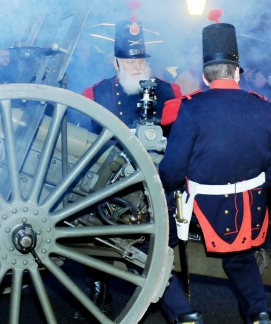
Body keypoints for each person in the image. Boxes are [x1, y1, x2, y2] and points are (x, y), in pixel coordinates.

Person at [71, 18, 195, 323]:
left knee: (155, 245)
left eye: (141, 60)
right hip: (108, 183)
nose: (137, 66)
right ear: (116, 62)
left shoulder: (169, 91)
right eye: (129, 61)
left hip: (157, 182)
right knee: (89, 226)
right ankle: (100, 291)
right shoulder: (95, 93)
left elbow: (181, 141)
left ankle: (174, 304)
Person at [159, 21, 271, 324]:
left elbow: (172, 171)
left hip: (201, 209)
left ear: (204, 76)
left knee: (149, 247)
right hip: (248, 209)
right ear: (238, 72)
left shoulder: (189, 108)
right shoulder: (269, 109)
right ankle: (260, 313)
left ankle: (185, 313)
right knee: (240, 257)